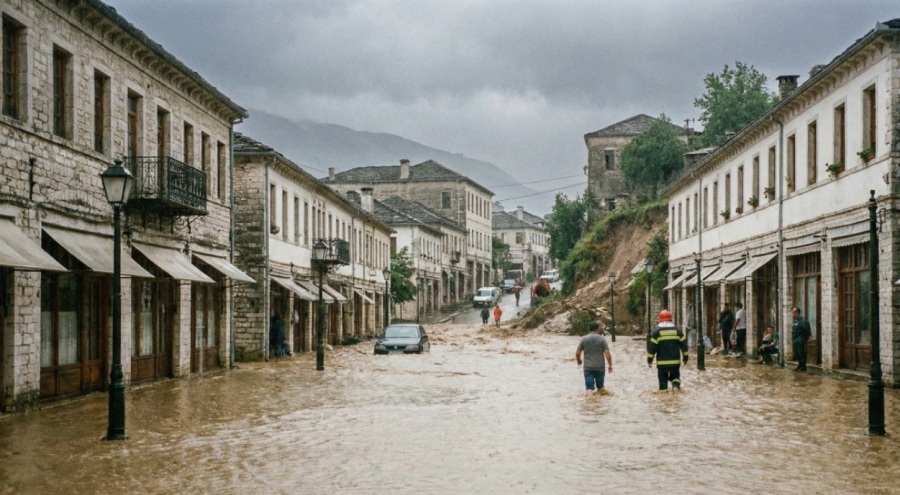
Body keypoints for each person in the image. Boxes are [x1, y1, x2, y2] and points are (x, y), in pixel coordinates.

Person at [647, 309, 689, 392]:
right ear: (671, 319)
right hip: (675, 362)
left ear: (660, 320)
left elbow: (652, 348)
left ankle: (664, 396)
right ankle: (676, 387)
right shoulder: (678, 331)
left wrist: (649, 360)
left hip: (662, 363)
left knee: (663, 383)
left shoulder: (656, 332)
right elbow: (684, 346)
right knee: (675, 377)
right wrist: (685, 358)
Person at [575, 321, 613, 396]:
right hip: (600, 367)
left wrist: (579, 361)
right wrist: (610, 365)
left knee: (589, 388)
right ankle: (598, 406)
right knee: (601, 389)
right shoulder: (602, 339)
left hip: (588, 368)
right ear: (597, 328)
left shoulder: (584, 339)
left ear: (589, 328)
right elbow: (607, 353)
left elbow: (577, 353)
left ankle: (590, 404)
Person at [791, 306, 812, 371]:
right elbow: (794, 329)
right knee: (797, 353)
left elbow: (807, 330)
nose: (792, 314)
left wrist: (807, 338)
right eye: (792, 312)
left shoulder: (803, 320)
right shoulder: (796, 320)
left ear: (797, 313)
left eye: (793, 312)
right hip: (795, 338)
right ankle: (799, 365)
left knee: (801, 352)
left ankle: (803, 366)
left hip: (801, 338)